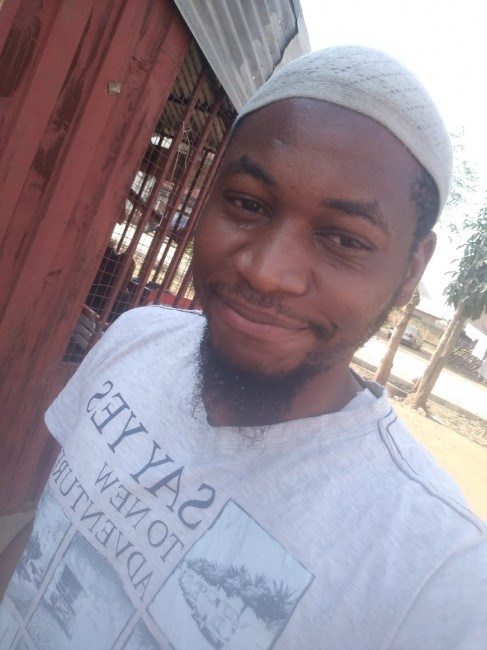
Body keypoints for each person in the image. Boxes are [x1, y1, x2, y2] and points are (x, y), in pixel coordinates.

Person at [1, 46, 486, 649]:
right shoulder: (136, 339)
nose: (266, 271)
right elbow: (44, 536)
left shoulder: (437, 577)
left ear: (412, 267)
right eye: (248, 204)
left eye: (343, 239)